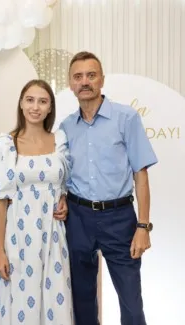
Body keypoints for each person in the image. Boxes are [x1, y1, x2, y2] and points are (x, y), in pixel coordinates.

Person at [59, 51, 158, 325]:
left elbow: (141, 175)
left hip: (119, 218)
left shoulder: (126, 118)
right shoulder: (66, 127)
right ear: (70, 84)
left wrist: (143, 226)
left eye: (91, 75)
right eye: (78, 77)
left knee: (131, 301)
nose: (85, 82)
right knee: (82, 298)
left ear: (102, 79)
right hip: (77, 218)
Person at [0, 79, 74, 325]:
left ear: (50, 108)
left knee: (56, 298)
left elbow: (65, 184)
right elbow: (0, 201)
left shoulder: (60, 141)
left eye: (42, 101)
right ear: (21, 104)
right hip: (18, 234)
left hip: (53, 234)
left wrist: (64, 198)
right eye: (30, 100)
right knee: (21, 300)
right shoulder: (5, 144)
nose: (35, 107)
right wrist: (0, 251)